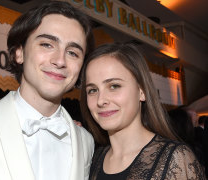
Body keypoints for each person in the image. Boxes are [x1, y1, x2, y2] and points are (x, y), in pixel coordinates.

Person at [0, 1, 95, 180]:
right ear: (19, 52)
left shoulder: (85, 141)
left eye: (73, 52)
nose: (60, 60)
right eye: (47, 44)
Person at [79, 43, 206, 179]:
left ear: (142, 91)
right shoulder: (92, 160)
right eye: (92, 90)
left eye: (114, 86)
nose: (100, 100)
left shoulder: (176, 159)